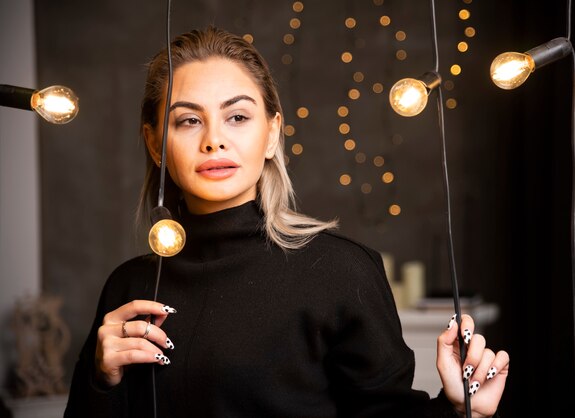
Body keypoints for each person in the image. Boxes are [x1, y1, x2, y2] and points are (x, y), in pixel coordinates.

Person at [64, 25, 509, 418]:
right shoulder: (129, 287)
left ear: (273, 132)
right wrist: (101, 381)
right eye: (188, 121)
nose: (214, 140)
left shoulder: (340, 271)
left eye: (237, 116)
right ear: (156, 144)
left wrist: (459, 411)